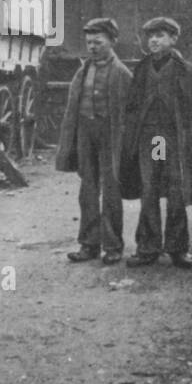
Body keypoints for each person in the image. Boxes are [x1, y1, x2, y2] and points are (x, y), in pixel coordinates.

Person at [119, 17, 192, 269]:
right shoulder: (142, 69)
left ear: (173, 39)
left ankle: (178, 249)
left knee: (177, 191)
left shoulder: (187, 70)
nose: (154, 40)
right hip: (151, 139)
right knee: (149, 190)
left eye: (160, 35)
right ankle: (148, 248)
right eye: (151, 36)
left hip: (175, 139)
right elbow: (132, 106)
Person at [56, 18, 132, 265]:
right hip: (86, 134)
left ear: (112, 41)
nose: (92, 46)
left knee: (111, 190)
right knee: (87, 189)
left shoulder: (121, 73)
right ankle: (88, 244)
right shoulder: (83, 70)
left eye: (98, 42)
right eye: (89, 42)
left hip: (111, 135)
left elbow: (129, 114)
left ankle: (113, 246)